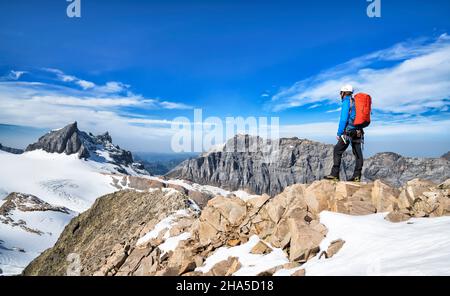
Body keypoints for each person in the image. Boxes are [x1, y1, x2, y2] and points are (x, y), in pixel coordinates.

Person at [324, 85, 364, 182]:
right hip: (358, 131)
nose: (340, 95)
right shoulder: (356, 102)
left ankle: (335, 175)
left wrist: (339, 132)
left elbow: (343, 119)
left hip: (348, 132)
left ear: (343, 93)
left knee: (337, 150)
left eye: (340, 93)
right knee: (358, 154)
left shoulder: (347, 102)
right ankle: (357, 176)